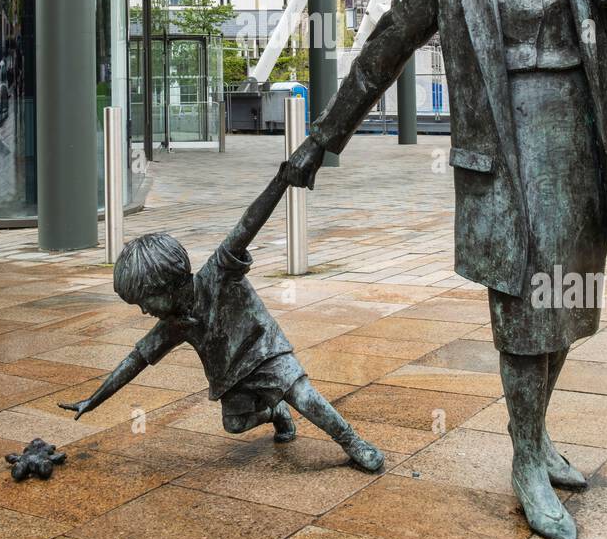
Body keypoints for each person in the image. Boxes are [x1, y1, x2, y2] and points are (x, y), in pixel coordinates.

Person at [285, 0, 607, 539]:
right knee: (522, 307)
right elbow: (381, 54)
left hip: (584, 141)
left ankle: (540, 434)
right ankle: (524, 461)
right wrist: (324, 139)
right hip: (507, 149)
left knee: (569, 299)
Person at [59, 170, 384, 472]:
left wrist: (282, 180)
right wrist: (94, 399)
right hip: (231, 375)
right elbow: (135, 361)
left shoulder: (218, 273)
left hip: (265, 350)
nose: (144, 310)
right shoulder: (175, 322)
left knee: (305, 397)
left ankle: (352, 442)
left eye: (145, 300)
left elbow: (250, 221)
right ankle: (275, 412)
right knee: (236, 425)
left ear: (166, 283)